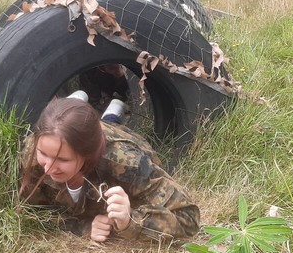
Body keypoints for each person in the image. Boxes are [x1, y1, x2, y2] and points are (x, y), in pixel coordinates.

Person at [18, 93, 199, 242]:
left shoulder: (127, 163)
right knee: (66, 125)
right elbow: (34, 212)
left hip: (114, 139)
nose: (48, 168)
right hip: (83, 133)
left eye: (62, 159)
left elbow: (188, 218)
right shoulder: (32, 151)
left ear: (87, 155)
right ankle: (78, 105)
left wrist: (130, 220)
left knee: (111, 123)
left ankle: (113, 111)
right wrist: (85, 227)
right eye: (44, 154)